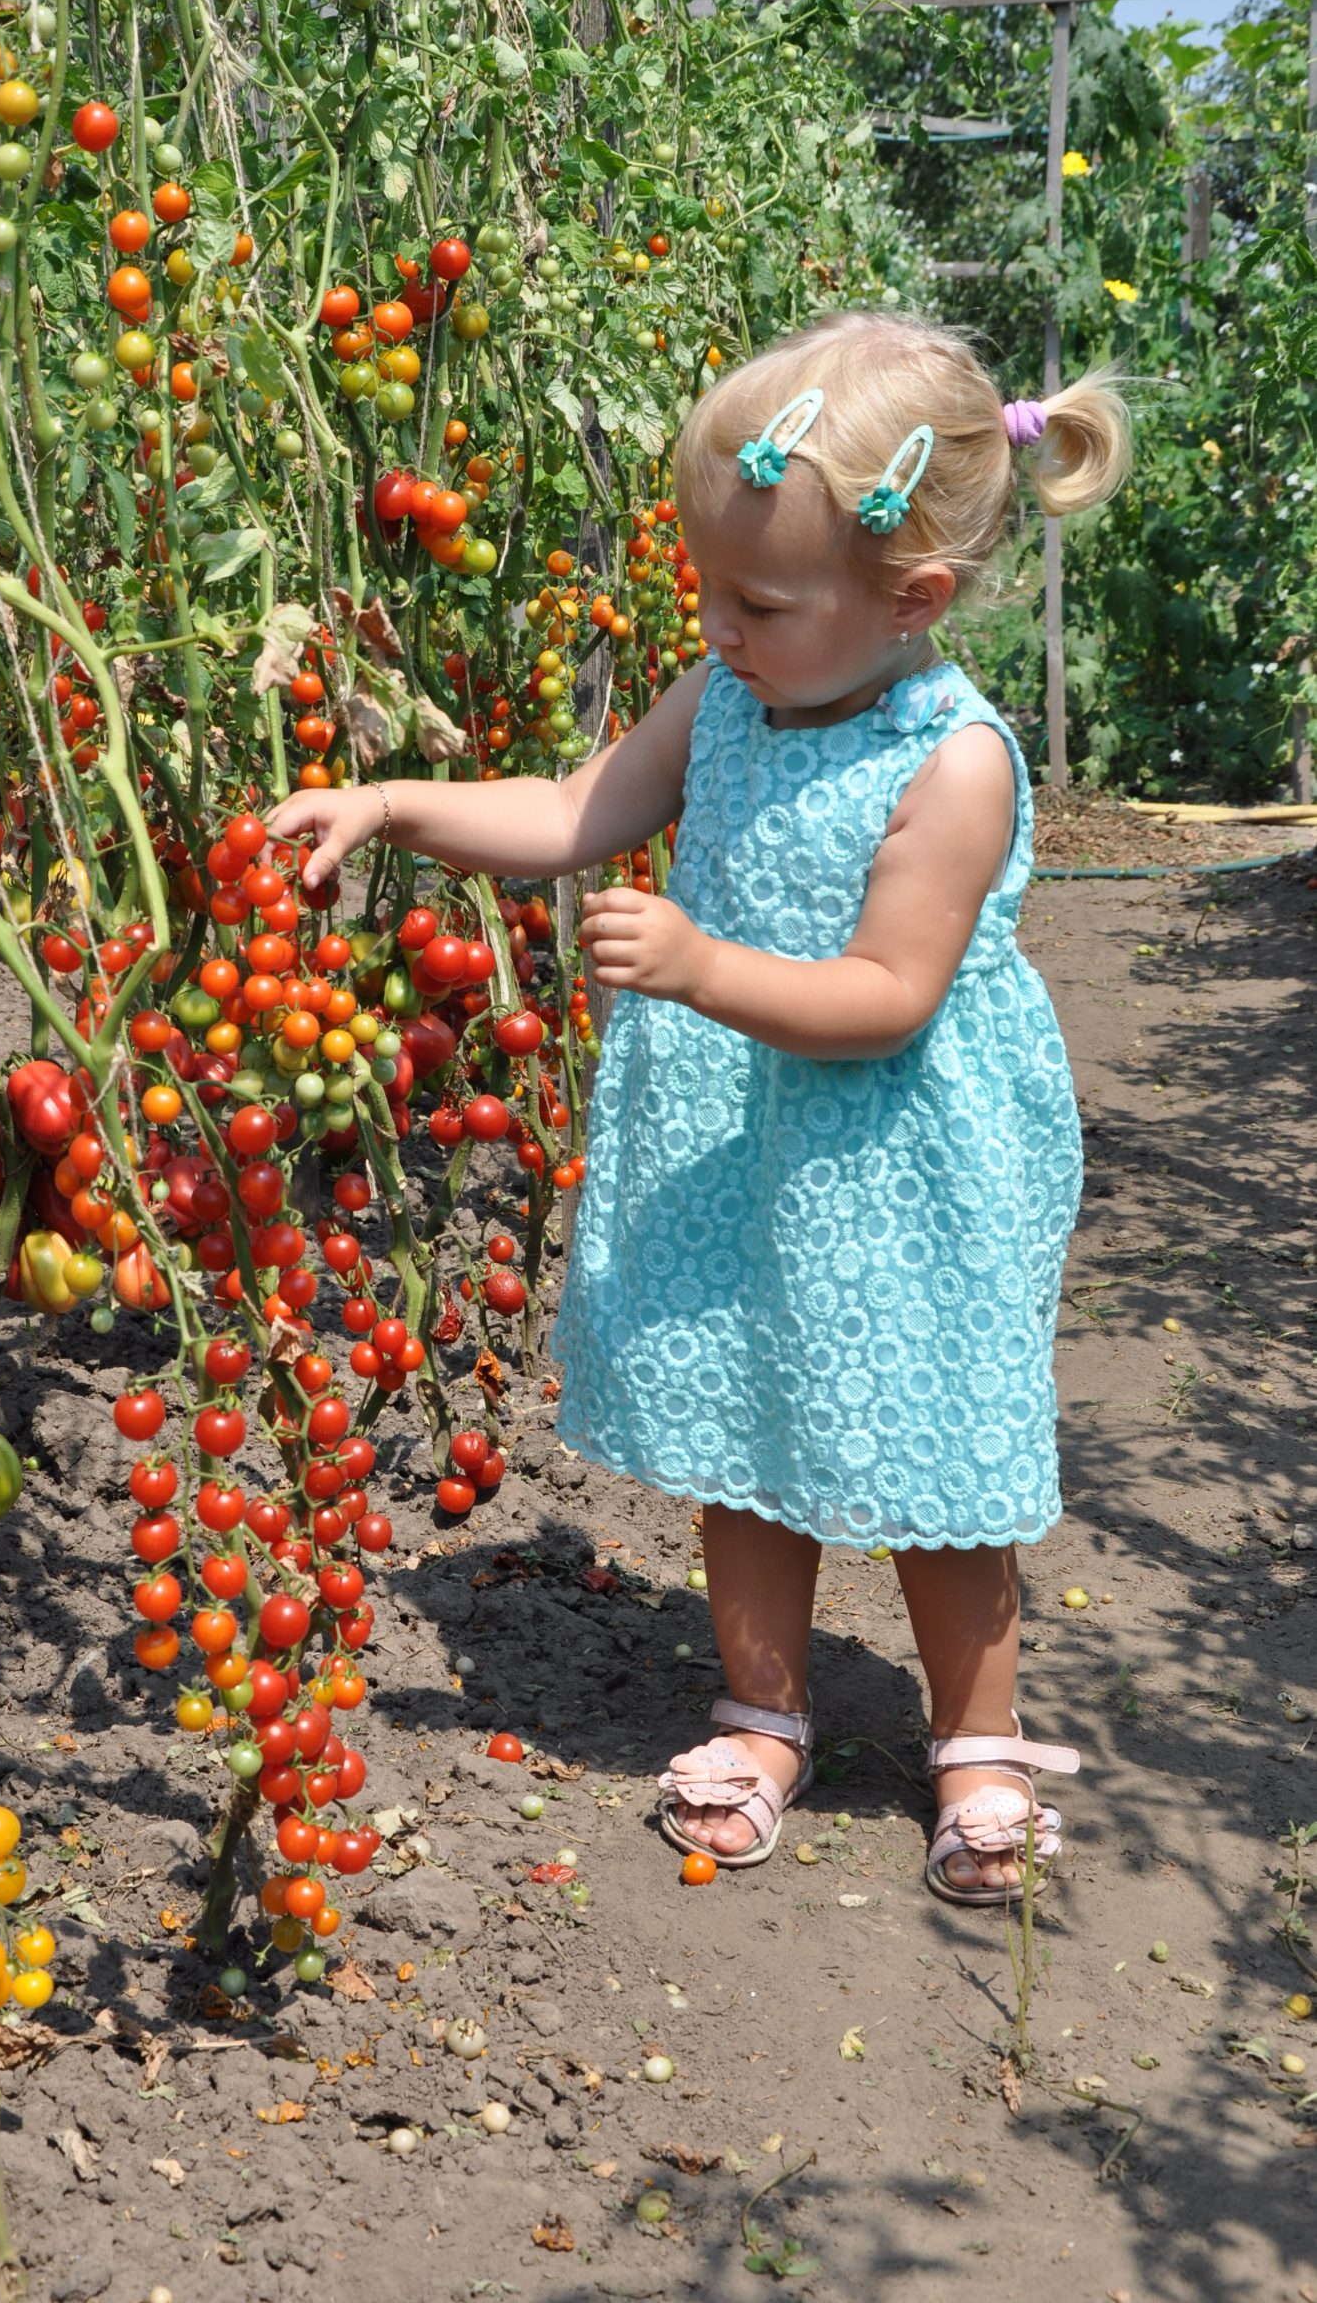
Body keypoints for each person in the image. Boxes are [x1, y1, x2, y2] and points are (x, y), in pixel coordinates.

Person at [268, 307, 1130, 1906]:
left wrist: (697, 958)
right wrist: (387, 801)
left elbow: (888, 998)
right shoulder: (729, 697)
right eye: (709, 589)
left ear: (912, 598)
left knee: (937, 1462)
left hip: (896, 1160)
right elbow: (573, 809)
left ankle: (980, 1741)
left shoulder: (957, 764)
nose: (719, 628)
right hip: (747, 1155)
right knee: (744, 1427)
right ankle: (761, 1712)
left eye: (760, 600)